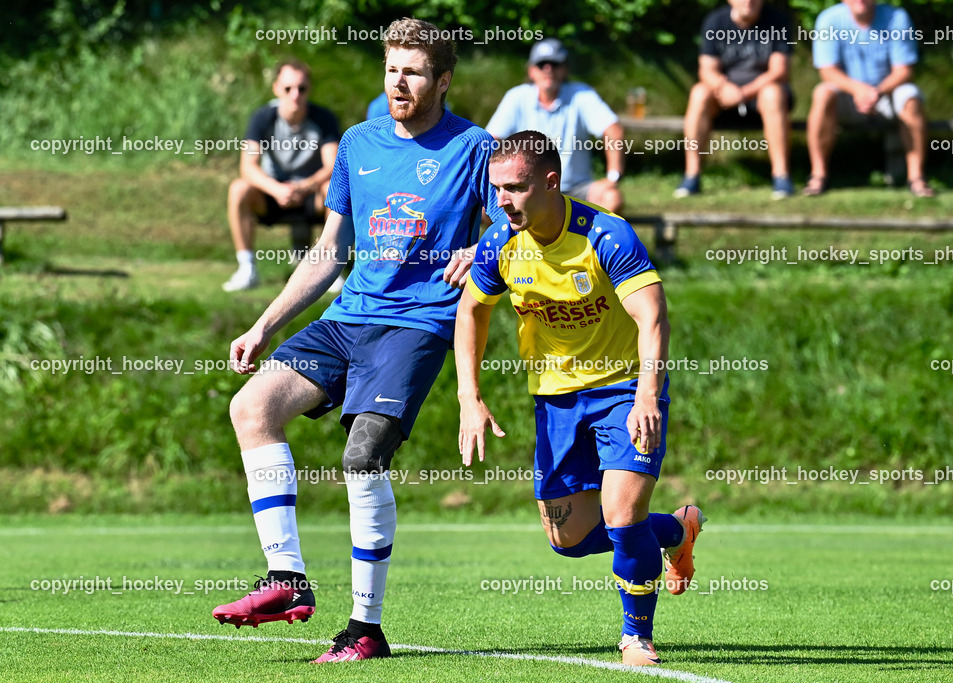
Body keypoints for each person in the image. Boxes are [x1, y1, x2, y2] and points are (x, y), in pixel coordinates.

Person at [211, 17, 501, 663]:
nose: (399, 80)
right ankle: (286, 578)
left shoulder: (476, 147)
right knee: (251, 408)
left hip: (420, 322)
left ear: (443, 80)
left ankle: (364, 629)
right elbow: (329, 250)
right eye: (392, 67)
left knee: (362, 455)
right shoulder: (357, 143)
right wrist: (265, 323)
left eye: (415, 71)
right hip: (350, 316)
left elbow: (518, 221)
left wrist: (484, 247)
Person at [455, 130, 706, 667]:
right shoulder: (500, 242)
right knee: (568, 539)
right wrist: (468, 396)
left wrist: (647, 395)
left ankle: (636, 637)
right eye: (496, 189)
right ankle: (675, 529)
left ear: (550, 182)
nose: (502, 200)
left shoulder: (607, 235)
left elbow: (652, 316)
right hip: (555, 401)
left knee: (620, 513)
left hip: (623, 390)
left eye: (516, 188)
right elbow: (471, 311)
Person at [223, 60, 342, 292]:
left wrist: (305, 186)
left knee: (334, 189)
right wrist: (277, 189)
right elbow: (247, 166)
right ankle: (246, 268)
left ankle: (329, 269)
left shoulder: (324, 119)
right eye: (288, 89)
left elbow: (333, 165)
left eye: (301, 88)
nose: (295, 95)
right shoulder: (261, 118)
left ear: (309, 89)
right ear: (276, 88)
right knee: (238, 188)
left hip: (311, 193)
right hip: (271, 194)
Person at [804, 0, 934, 197]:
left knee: (910, 96)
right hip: (847, 97)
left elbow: (904, 71)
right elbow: (827, 72)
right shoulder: (828, 20)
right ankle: (818, 175)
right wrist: (858, 90)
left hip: (887, 95)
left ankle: (916, 177)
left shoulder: (897, 18)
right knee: (822, 93)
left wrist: (877, 92)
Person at [486, 38, 626, 214]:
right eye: (542, 63)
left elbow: (613, 129)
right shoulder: (516, 97)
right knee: (484, 206)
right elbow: (490, 140)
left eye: (554, 63)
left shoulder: (582, 95)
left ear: (565, 69)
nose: (548, 69)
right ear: (531, 71)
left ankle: (590, 242)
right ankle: (512, 241)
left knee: (612, 197)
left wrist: (613, 177)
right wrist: (500, 182)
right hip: (528, 188)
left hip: (578, 190)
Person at [675, 0, 794, 199]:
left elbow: (780, 71)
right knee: (699, 93)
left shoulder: (778, 21)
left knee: (773, 94)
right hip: (724, 96)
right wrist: (723, 87)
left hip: (762, 93)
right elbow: (706, 69)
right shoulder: (715, 21)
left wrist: (744, 93)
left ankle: (781, 177)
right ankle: (692, 175)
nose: (749, 1)